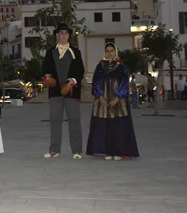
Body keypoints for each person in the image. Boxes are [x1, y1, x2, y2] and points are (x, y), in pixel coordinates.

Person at [86, 43, 139, 160]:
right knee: (103, 126)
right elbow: (95, 82)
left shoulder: (121, 67)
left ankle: (118, 151)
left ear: (115, 52)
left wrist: (117, 97)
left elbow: (124, 83)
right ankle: (104, 151)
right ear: (104, 52)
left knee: (118, 126)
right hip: (103, 102)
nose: (110, 53)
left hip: (118, 102)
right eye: (107, 51)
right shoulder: (99, 67)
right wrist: (100, 97)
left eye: (112, 50)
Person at [42, 23, 85, 160]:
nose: (63, 36)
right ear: (57, 35)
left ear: (69, 36)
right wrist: (48, 76)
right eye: (61, 33)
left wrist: (72, 80)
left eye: (66, 33)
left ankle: (77, 150)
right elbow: (45, 69)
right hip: (55, 91)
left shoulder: (75, 52)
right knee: (55, 120)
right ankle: (54, 150)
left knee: (74, 120)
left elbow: (80, 71)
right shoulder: (50, 52)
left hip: (72, 91)